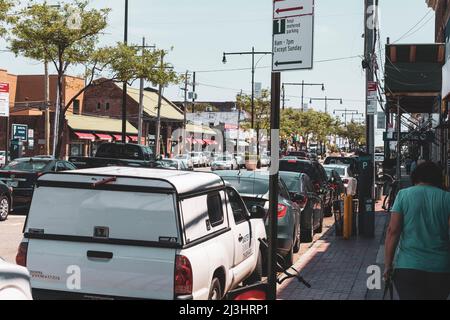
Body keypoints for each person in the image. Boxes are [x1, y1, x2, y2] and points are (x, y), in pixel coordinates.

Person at [384, 161, 450, 300]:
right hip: (440, 269)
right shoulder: (446, 198)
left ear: (415, 177)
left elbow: (393, 231)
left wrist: (388, 265)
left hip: (408, 267)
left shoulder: (403, 195)